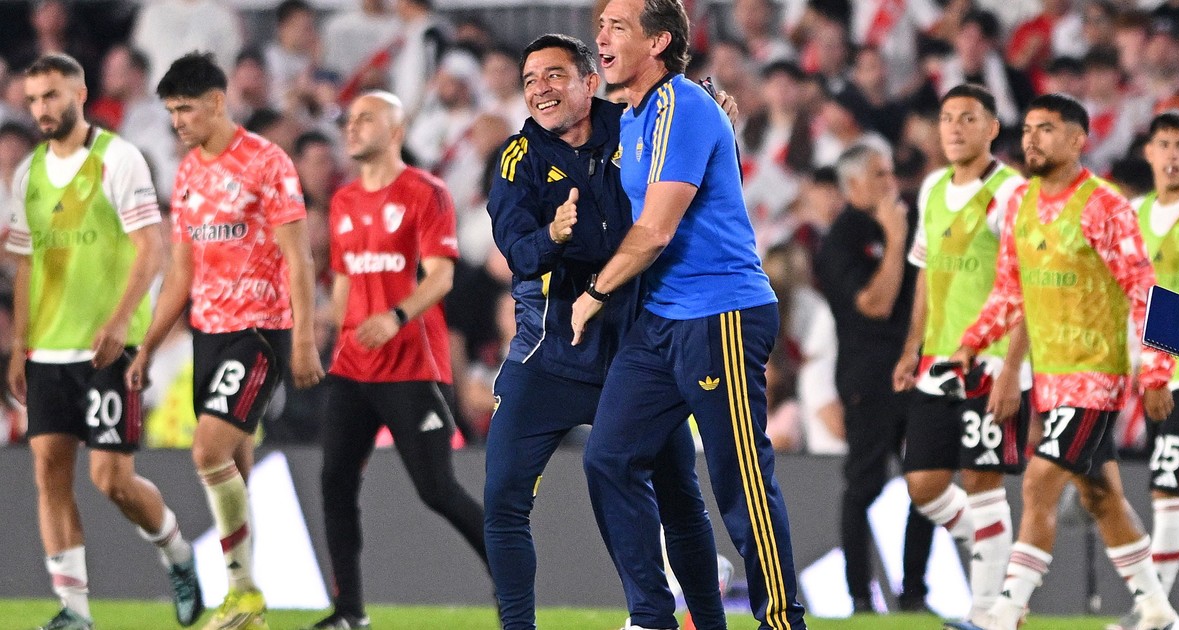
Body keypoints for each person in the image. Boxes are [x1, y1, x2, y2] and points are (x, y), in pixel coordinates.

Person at [576, 0, 809, 627]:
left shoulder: (682, 106)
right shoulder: (635, 116)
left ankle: (781, 621)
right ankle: (652, 617)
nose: (601, 37)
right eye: (600, 26)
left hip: (720, 312)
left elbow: (655, 231)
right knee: (609, 458)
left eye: (617, 27)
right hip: (662, 318)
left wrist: (594, 293)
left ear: (657, 42)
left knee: (740, 483)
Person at [485, 33, 729, 630]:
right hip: (550, 355)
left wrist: (714, 122)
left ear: (589, 82)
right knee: (504, 501)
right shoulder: (518, 158)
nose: (540, 89)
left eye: (554, 75)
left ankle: (705, 622)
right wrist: (553, 236)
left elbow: (684, 184)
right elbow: (518, 254)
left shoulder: (637, 128)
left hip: (637, 354)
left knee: (680, 499)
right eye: (530, 80)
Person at [945, 93, 1179, 630]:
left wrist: (1157, 372)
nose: (1031, 139)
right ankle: (1156, 610)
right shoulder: (1020, 203)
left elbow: (1147, 291)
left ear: (1078, 141)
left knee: (1038, 483)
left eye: (1046, 129)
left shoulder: (1105, 207)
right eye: (1028, 129)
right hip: (1051, 380)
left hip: (1096, 378)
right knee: (1101, 496)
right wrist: (973, 341)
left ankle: (1004, 613)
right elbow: (1010, 289)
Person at [126, 51, 325, 630]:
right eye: (171, 111)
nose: (177, 122)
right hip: (208, 334)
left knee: (207, 452)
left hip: (259, 331)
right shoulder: (189, 172)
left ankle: (242, 591)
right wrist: (148, 345)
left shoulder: (267, 163)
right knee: (233, 464)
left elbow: (299, 258)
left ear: (217, 102)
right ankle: (248, 607)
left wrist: (304, 338)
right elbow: (181, 272)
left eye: (185, 109)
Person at [6, 52, 201, 630]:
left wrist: (119, 323)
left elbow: (152, 248)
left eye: (52, 95)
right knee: (49, 473)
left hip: (109, 351)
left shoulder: (118, 159)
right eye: (33, 99)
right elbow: (27, 265)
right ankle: (75, 611)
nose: (42, 109)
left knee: (111, 479)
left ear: (81, 94)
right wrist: (19, 345)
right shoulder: (27, 175)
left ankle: (176, 551)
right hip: (48, 349)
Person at [300, 89, 490, 630]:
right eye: (349, 120)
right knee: (335, 483)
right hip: (353, 368)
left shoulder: (425, 192)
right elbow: (344, 281)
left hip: (410, 366)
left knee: (437, 490)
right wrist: (324, 330)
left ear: (396, 131)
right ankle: (350, 612)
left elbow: (442, 276)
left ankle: (511, 578)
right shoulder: (342, 201)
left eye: (366, 119)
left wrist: (397, 316)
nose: (352, 127)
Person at [891, 84, 1029, 626]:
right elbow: (926, 274)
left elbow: (1028, 285)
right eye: (947, 118)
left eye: (968, 118)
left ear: (992, 128)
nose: (953, 128)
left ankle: (987, 612)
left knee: (982, 483)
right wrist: (913, 347)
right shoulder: (932, 187)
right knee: (923, 485)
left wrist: (1013, 369)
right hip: (939, 361)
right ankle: (1005, 573)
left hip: (992, 361)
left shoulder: (1011, 192)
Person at [813, 142, 934, 613]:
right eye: (880, 175)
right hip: (868, 378)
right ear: (853, 185)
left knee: (925, 482)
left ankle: (915, 593)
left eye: (890, 173)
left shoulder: (911, 221)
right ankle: (860, 597)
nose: (891, 183)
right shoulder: (840, 241)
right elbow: (876, 305)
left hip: (916, 371)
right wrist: (896, 241)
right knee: (865, 484)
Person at [1112, 110, 1179, 630]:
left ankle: (1155, 614)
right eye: (1164, 144)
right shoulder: (1134, 214)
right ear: (1148, 153)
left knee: (1168, 490)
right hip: (1154, 371)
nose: (1172, 155)